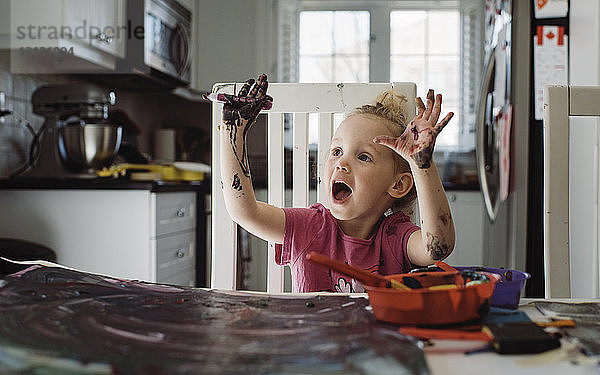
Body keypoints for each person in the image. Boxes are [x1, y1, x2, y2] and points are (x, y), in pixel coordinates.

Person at [218, 74, 455, 293]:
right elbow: (244, 212)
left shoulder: (394, 237)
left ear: (398, 185)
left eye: (363, 157)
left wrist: (422, 165)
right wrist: (232, 133)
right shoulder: (311, 228)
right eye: (337, 151)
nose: (341, 163)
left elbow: (437, 248)